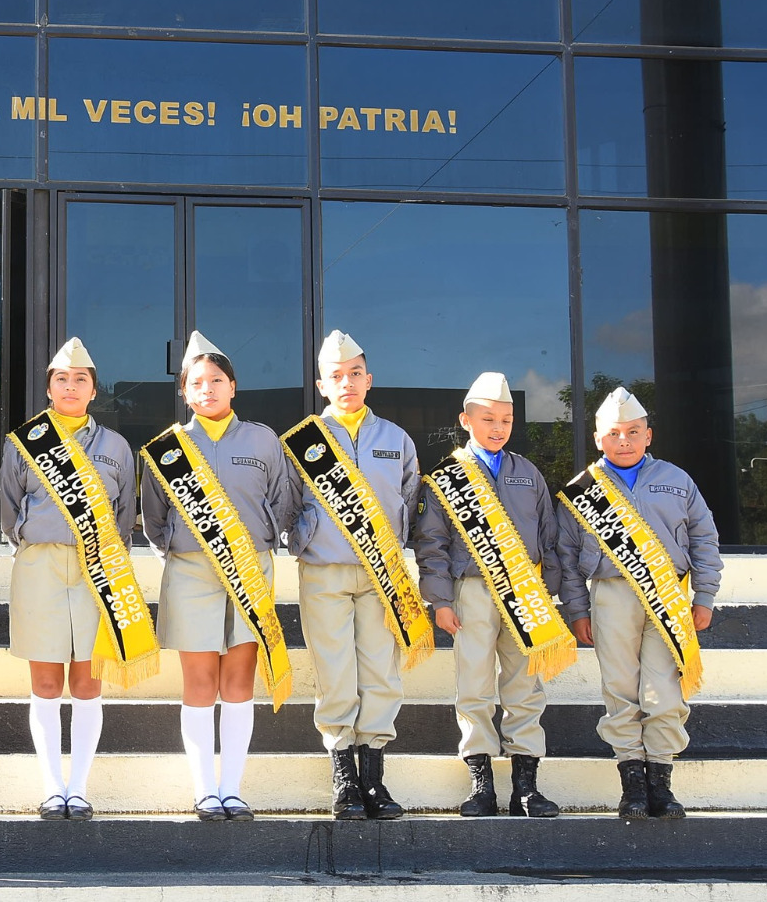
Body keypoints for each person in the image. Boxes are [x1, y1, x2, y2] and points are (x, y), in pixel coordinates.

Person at [140, 332, 298, 822]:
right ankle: (205, 790)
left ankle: (232, 789)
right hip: (191, 573)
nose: (207, 389)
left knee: (239, 679)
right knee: (200, 681)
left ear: (233, 386)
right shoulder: (168, 448)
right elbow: (154, 518)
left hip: (250, 568)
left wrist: (260, 539)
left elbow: (283, 499)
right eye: (197, 383)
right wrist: (183, 551)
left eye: (216, 380)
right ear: (184, 392)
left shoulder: (263, 439)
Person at [0, 337, 152, 821]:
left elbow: (126, 512)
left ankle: (79, 788)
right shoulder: (24, 442)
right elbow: (10, 511)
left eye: (80, 379)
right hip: (40, 566)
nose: (70, 386)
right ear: (49, 389)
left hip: (98, 569)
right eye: (61, 379)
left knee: (88, 682)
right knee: (46, 683)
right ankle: (52, 787)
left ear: (93, 389)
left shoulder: (116, 447)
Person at [556, 386, 722, 820]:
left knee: (664, 692)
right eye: (614, 433)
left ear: (649, 435)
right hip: (610, 596)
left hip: (669, 596)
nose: (624, 440)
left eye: (633, 432)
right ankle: (632, 784)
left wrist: (704, 596)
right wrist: (577, 610)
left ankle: (661, 784)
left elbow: (704, 539)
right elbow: (567, 558)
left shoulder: (677, 479)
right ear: (598, 438)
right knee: (620, 689)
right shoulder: (582, 490)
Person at [282, 329, 427, 821]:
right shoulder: (303, 441)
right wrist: (308, 538)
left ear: (369, 380)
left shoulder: (396, 439)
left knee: (382, 672)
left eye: (355, 374)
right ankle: (344, 779)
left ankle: (374, 779)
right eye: (336, 376)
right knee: (335, 672)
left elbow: (410, 498)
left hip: (383, 571)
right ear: (322, 385)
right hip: (324, 570)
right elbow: (286, 501)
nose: (347, 383)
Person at [413, 371, 573, 819]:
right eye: (488, 419)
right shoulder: (446, 477)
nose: (498, 428)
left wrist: (549, 593)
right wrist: (440, 601)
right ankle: (481, 784)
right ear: (466, 420)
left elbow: (549, 537)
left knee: (525, 685)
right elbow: (431, 544)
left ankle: (526, 787)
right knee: (475, 685)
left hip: (525, 593)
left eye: (506, 419)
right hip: (471, 592)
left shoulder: (528, 473)